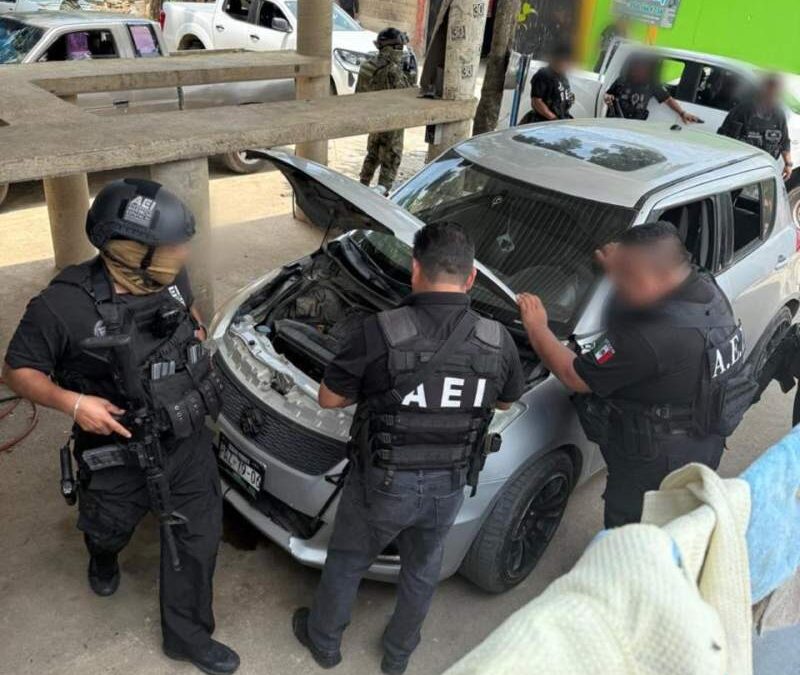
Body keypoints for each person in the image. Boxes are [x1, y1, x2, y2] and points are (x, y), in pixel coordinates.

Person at [2, 179, 239, 674]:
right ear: (131, 253)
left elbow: (186, 312)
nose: (185, 252)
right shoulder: (62, 306)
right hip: (116, 441)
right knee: (108, 528)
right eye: (173, 246)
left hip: (185, 433)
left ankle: (187, 638)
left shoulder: (173, 276)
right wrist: (73, 403)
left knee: (199, 537)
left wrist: (193, 332)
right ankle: (103, 556)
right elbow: (17, 371)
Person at [292, 222, 524, 674]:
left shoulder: (381, 331)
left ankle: (325, 644)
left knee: (348, 560)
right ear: (471, 277)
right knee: (421, 571)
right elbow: (505, 399)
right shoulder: (499, 341)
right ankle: (398, 657)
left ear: (415, 270)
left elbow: (329, 398)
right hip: (449, 484)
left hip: (382, 484)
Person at [516, 222, 756, 528]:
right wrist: (625, 267)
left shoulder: (649, 337)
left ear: (659, 276)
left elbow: (574, 375)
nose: (622, 284)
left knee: (630, 532)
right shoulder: (707, 290)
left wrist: (537, 327)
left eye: (630, 276)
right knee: (677, 519)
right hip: (703, 440)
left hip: (655, 461)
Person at [357, 27, 415, 191]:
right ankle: (383, 191)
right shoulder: (393, 70)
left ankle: (362, 186)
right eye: (399, 48)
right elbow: (407, 96)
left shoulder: (367, 66)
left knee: (373, 154)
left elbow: (359, 94)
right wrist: (409, 75)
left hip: (373, 120)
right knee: (391, 158)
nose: (401, 51)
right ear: (393, 48)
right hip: (392, 121)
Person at [718, 74, 793, 181]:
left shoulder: (779, 114)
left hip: (764, 169)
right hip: (739, 168)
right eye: (769, 90)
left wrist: (788, 164)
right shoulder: (743, 110)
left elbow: (784, 142)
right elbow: (725, 137)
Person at [604, 55, 700, 124]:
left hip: (634, 125)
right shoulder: (622, 80)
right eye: (638, 66)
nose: (640, 70)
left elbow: (668, 100)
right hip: (615, 122)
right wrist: (608, 98)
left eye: (644, 67)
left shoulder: (652, 84)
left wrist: (682, 113)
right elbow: (607, 94)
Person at [523, 42, 576, 124]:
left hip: (562, 118)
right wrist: (553, 118)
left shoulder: (562, 75)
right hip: (544, 122)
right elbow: (536, 101)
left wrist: (568, 98)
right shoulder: (543, 75)